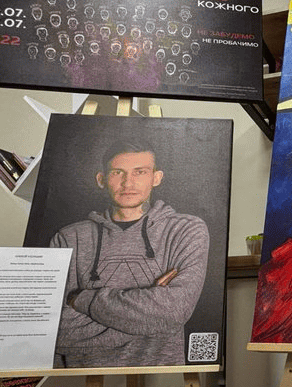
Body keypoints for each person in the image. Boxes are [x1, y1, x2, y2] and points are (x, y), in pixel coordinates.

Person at [50, 139, 209, 367]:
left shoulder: (185, 230)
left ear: (156, 178)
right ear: (101, 179)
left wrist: (82, 300)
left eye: (140, 172)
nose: (128, 183)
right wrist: (152, 317)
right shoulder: (68, 238)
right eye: (117, 172)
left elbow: (174, 311)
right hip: (82, 379)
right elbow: (54, 329)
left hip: (161, 377)